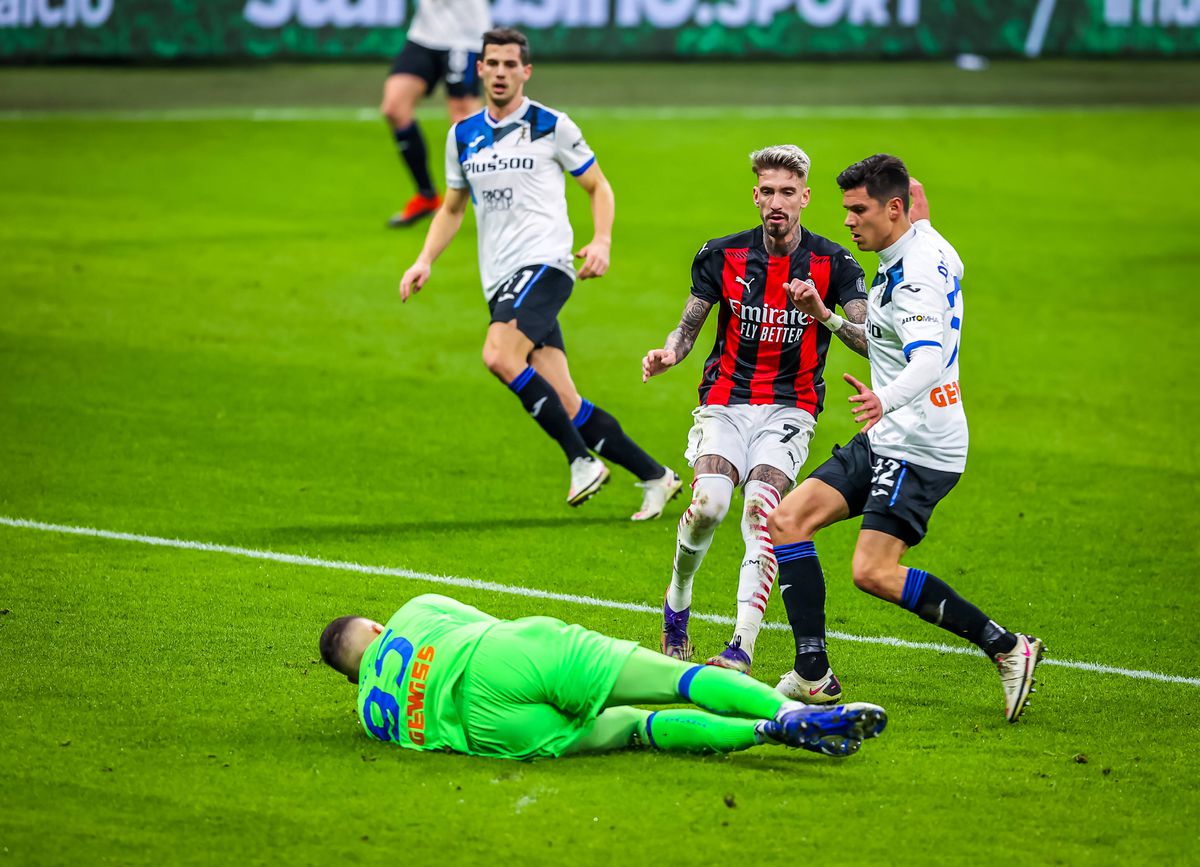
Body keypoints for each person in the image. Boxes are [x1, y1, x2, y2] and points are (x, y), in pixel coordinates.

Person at [767, 154, 1044, 722]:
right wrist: (824, 314)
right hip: (890, 433)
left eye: (858, 209)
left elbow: (928, 357)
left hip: (919, 443)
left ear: (894, 210)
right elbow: (883, 336)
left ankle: (1007, 646)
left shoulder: (915, 275)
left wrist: (882, 399)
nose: (847, 221)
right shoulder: (923, 241)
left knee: (872, 571)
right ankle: (814, 674)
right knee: (787, 520)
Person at [399, 28, 681, 519]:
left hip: (547, 264)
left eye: (512, 64)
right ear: (480, 70)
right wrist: (424, 259)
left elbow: (598, 186)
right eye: (493, 63)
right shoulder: (461, 135)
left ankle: (579, 461)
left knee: (497, 353)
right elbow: (452, 208)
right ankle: (657, 476)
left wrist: (602, 241)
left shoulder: (553, 125)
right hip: (500, 278)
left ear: (526, 71)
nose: (502, 72)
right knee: (566, 402)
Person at [641, 145, 869, 677]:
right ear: (755, 195)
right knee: (711, 506)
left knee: (759, 513)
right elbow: (688, 328)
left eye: (788, 193)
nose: (776, 203)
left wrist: (822, 314)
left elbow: (869, 340)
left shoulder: (835, 264)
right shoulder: (721, 256)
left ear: (805, 198)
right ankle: (678, 598)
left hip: (790, 408)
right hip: (725, 401)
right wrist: (670, 352)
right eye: (767, 192)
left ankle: (740, 644)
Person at [318, 592, 889, 759]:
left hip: (490, 728)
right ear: (373, 629)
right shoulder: (411, 613)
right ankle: (788, 713)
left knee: (639, 727)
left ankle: (764, 736)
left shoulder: (371, 716)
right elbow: (491, 623)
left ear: (354, 676)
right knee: (677, 681)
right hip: (500, 654)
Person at [381, 0, 491, 228]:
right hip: (424, 34)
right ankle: (427, 195)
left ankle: (496, 202)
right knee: (394, 108)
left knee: (465, 122)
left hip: (464, 35)